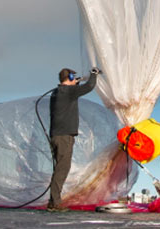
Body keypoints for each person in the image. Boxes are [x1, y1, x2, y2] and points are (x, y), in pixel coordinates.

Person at [48, 66, 100, 211]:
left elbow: (71, 92)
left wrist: (74, 84)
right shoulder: (69, 92)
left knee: (59, 168)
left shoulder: (57, 92)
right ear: (70, 78)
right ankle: (54, 203)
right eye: (73, 77)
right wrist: (93, 74)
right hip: (64, 136)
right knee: (62, 169)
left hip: (57, 135)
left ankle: (53, 201)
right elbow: (89, 86)